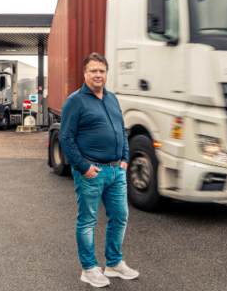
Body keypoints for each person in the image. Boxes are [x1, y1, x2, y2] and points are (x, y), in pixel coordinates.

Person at [58, 52, 139, 288]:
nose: (98, 75)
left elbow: (121, 130)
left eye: (102, 71)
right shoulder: (75, 101)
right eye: (93, 70)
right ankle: (89, 268)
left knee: (120, 217)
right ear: (85, 74)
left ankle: (113, 264)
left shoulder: (112, 98)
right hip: (92, 172)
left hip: (116, 172)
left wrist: (125, 158)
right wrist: (83, 167)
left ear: (106, 74)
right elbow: (66, 138)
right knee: (87, 221)